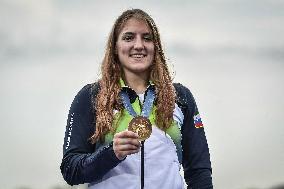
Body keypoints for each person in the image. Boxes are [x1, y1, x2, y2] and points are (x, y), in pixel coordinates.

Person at [60, 9, 213, 189]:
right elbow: (70, 169)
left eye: (147, 38)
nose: (139, 45)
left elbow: (199, 170)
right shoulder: (91, 96)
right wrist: (111, 153)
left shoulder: (180, 97)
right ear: (115, 48)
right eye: (129, 37)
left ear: (156, 47)